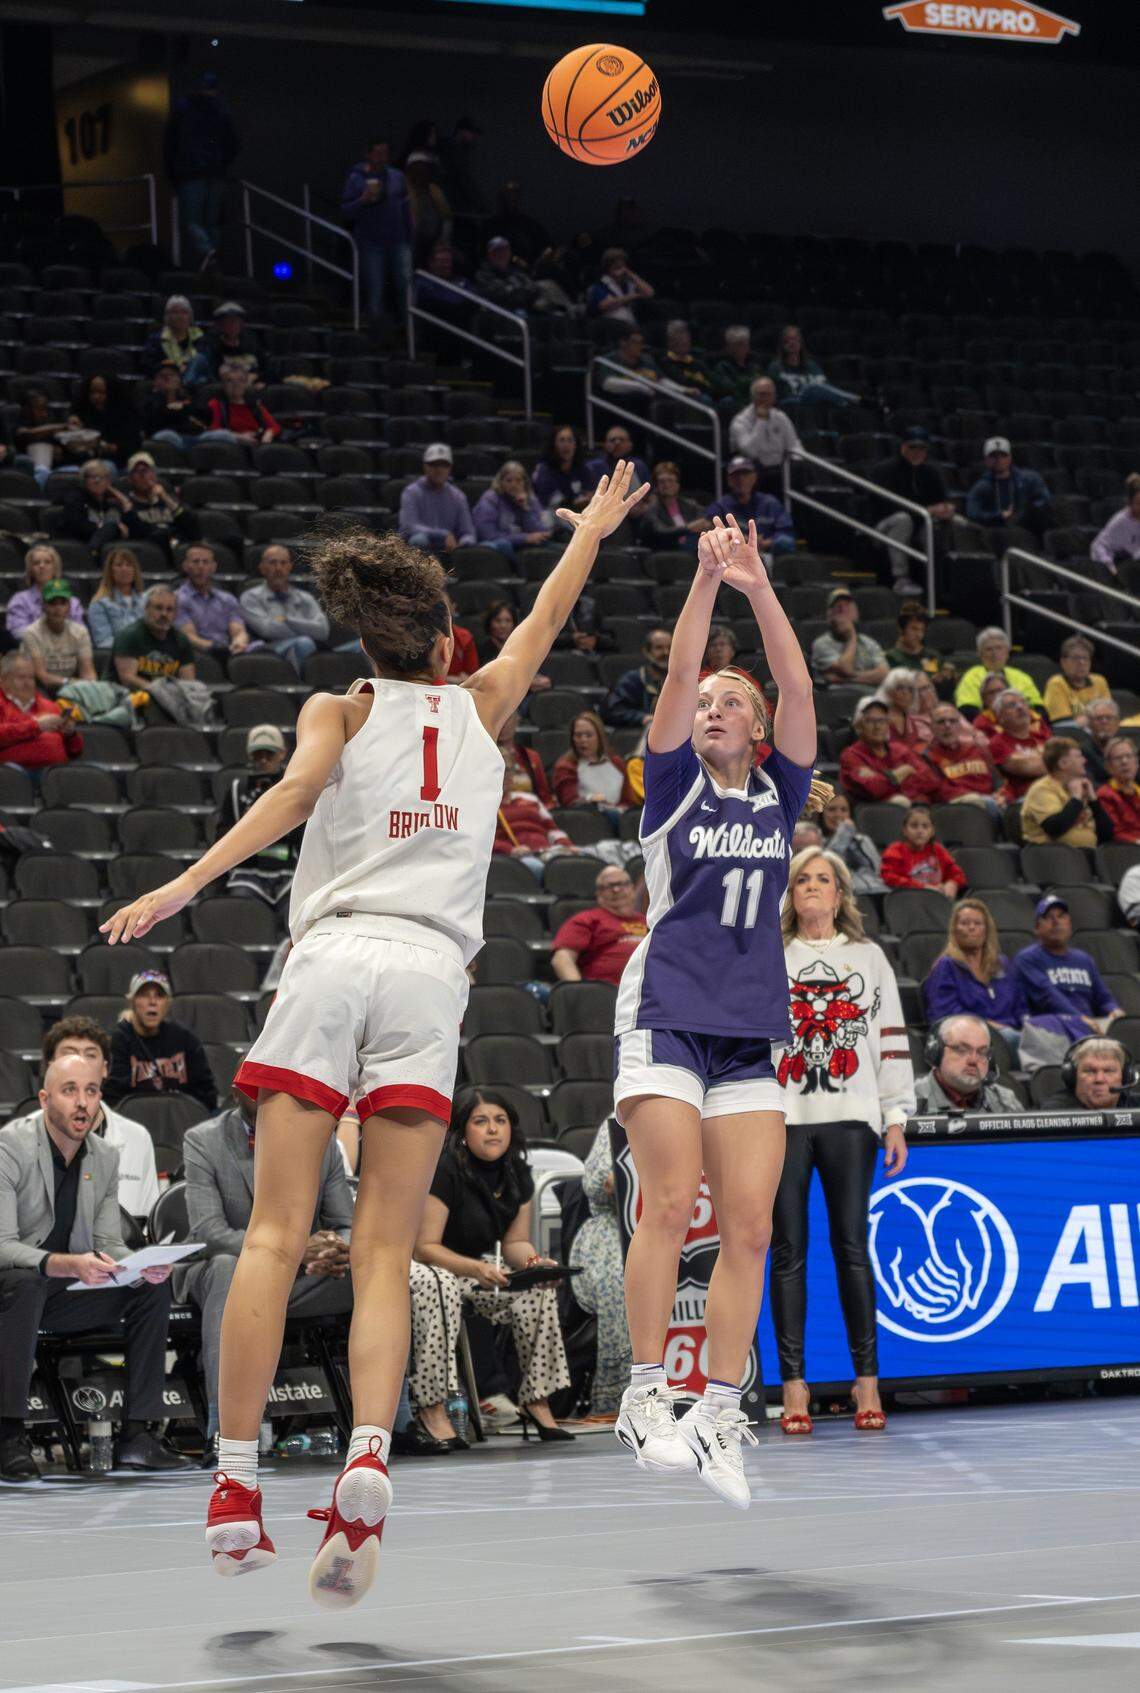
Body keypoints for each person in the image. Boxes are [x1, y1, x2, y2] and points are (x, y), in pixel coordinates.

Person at [100, 463, 646, 1601]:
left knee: (271, 1237)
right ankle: (367, 1457)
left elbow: (292, 798)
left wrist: (180, 887)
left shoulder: (336, 709)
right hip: (427, 978)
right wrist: (590, 527)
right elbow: (548, 612)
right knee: (389, 1251)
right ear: (447, 641)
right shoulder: (485, 702)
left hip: (335, 956)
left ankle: (238, 1483)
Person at [613, 515, 816, 1510]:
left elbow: (802, 687)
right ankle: (646, 1390)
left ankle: (718, 1412)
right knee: (667, 1198)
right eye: (704, 702)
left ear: (759, 725)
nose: (711, 708)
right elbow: (680, 671)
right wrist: (704, 583)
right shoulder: (671, 786)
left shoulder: (782, 792)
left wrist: (759, 586)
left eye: (730, 701)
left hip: (746, 1022)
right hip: (665, 1008)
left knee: (749, 1229)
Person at [774, 847, 912, 1436]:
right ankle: (794, 1385)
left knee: (852, 1247)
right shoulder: (767, 954)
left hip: (852, 1117)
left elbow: (891, 1039)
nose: (811, 887)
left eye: (821, 879)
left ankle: (866, 1381)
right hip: (780, 1119)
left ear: (839, 894)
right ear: (790, 893)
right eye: (801, 879)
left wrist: (897, 1116)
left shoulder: (868, 956)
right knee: (787, 1252)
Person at [0, 1053, 188, 1481]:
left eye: (91, 1091)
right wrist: (64, 1264)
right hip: (12, 1291)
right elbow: (3, 1246)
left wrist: (143, 1266)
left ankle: (138, 1436)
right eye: (70, 1092)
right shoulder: (9, 1149)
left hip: (62, 1293)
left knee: (150, 1289)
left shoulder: (104, 1157)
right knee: (26, 1283)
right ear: (45, 1099)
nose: (83, 1103)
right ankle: (8, 1436)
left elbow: (107, 1245)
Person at [178, 1089, 355, 1446]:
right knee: (228, 1268)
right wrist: (296, 1249)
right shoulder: (203, 1141)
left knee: (372, 1267)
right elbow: (210, 1233)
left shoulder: (323, 1142)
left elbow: (345, 1222)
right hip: (226, 1267)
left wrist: (334, 1248)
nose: (270, 1093)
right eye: (257, 1086)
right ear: (235, 1092)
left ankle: (391, 1427)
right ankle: (225, 1433)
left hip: (302, 1272)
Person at [410, 1089, 572, 1446]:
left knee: (536, 1288)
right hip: (439, 1266)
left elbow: (514, 1243)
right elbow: (424, 1247)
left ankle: (537, 1400)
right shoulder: (445, 1170)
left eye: (500, 1121)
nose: (493, 1130)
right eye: (480, 1122)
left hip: (478, 1268)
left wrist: (533, 1263)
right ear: (463, 1131)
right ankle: (432, 1404)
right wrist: (474, 1269)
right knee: (444, 1286)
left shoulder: (517, 1173)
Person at [6, 1016, 160, 1223]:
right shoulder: (12, 1141)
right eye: (69, 1054)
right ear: (50, 1067)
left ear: (105, 1069)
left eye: (90, 1055)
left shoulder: (137, 1138)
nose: (80, 1063)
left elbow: (150, 1223)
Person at [568, 1121, 630, 1419]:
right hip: (611, 1227)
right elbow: (601, 1182)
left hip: (685, 1227)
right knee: (622, 1277)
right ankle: (619, 1394)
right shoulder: (618, 1120)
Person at [870, 428, 968, 598]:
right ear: (903, 448)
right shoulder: (885, 470)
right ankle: (900, 578)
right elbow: (885, 507)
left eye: (921, 448)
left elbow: (942, 499)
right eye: (912, 447)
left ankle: (952, 580)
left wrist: (947, 509)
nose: (917, 452)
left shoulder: (931, 472)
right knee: (903, 519)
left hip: (919, 524)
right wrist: (927, 510)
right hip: (883, 528)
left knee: (958, 522)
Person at [105, 969, 218, 1112]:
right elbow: (112, 1099)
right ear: (131, 1002)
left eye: (159, 996)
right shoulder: (119, 1040)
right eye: (144, 995)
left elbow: (206, 1096)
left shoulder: (185, 1039)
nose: (152, 1002)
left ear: (168, 1003)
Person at [1013, 895, 1122, 1035]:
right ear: (1037, 928)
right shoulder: (1027, 959)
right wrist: (1080, 1019)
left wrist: (1114, 1011)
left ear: (1069, 924)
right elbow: (1049, 997)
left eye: (1061, 916)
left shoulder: (1084, 960)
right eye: (1048, 917)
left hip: (1090, 1025)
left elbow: (1103, 998)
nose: (1056, 921)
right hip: (1052, 1028)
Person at [218, 725, 301, 907]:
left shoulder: (293, 788)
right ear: (250, 755)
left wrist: (279, 821)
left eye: (269, 754)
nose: (263, 760)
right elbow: (222, 835)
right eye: (257, 755)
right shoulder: (236, 789)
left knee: (298, 905)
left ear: (282, 754)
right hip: (247, 872)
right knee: (241, 904)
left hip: (288, 870)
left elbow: (304, 836)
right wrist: (246, 824)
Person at [164, 71, 239, 270]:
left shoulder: (184, 109)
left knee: (192, 220)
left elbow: (171, 142)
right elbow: (233, 144)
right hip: (216, 172)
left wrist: (173, 172)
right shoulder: (222, 111)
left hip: (191, 172)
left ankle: (208, 253)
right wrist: (222, 163)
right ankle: (213, 260)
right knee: (211, 222)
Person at [922, 899, 1027, 1039]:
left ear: (986, 930)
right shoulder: (946, 966)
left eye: (978, 923)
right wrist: (989, 1026)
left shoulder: (1001, 964)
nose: (971, 927)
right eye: (964, 923)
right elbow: (945, 1014)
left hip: (1010, 1032)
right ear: (954, 930)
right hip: (969, 1038)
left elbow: (1019, 1006)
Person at [340, 138, 412, 327]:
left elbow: (405, 208)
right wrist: (362, 200)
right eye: (378, 153)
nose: (382, 158)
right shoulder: (356, 178)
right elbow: (346, 212)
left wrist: (410, 234)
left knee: (405, 285)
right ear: (368, 154)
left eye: (385, 153)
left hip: (398, 238)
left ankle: (409, 329)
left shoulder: (397, 177)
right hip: (370, 242)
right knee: (375, 288)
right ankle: (376, 331)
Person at [112, 586, 202, 723]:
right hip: (126, 699)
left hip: (166, 703)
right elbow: (127, 679)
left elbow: (188, 683)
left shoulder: (181, 640)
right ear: (146, 609)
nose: (164, 614)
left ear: (175, 614)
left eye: (169, 609)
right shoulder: (129, 636)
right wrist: (158, 691)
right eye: (158, 608)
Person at [239, 544, 331, 676]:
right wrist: (308, 629)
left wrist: (286, 620)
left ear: (289, 567)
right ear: (262, 568)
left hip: (311, 645)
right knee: (304, 642)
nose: (278, 568)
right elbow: (267, 630)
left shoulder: (305, 598)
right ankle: (308, 688)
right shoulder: (250, 597)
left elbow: (323, 631)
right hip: (269, 647)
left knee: (359, 645)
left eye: (283, 563)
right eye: (272, 563)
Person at [551, 865, 647, 987]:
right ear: (599, 894)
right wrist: (581, 993)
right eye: (609, 886)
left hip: (651, 992)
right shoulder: (586, 919)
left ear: (633, 888)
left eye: (622, 884)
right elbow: (561, 959)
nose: (616, 890)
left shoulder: (650, 921)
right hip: (606, 994)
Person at [912, 1015, 1025, 1114]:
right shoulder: (909, 1102)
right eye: (962, 1050)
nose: (973, 1060)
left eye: (982, 1052)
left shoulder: (1005, 1101)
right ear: (936, 1053)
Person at [838, 698, 939, 807]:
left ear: (888, 725)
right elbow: (873, 790)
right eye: (871, 721)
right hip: (873, 812)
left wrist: (882, 780)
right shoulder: (851, 755)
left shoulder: (901, 750)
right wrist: (902, 773)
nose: (877, 727)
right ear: (859, 725)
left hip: (917, 809)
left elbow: (931, 781)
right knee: (900, 801)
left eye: (882, 721)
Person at [1020, 735, 1109, 849]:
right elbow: (1055, 828)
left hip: (1087, 856)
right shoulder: (1042, 789)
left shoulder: (1082, 787)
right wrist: (1076, 799)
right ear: (1063, 763)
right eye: (1078, 757)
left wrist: (1093, 800)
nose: (1084, 760)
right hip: (1054, 857)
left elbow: (1106, 834)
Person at [493, 756, 576, 877]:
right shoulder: (485, 805)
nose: (505, 775)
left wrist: (566, 845)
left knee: (587, 856)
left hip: (546, 851)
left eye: (508, 770)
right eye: (500, 770)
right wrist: (510, 850)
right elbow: (484, 841)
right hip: (515, 858)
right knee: (536, 867)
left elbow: (552, 829)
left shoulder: (530, 799)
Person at [0, 650, 83, 768]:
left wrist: (71, 734)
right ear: (3, 680)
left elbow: (75, 751)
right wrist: (36, 726)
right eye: (21, 677)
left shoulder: (49, 705)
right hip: (12, 777)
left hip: (55, 774)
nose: (28, 683)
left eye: (31, 678)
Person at [965, 436, 1053, 540]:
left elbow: (1043, 500)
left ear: (1010, 458)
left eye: (1003, 455)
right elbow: (973, 513)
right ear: (986, 460)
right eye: (993, 456)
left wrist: (1022, 514)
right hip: (999, 535)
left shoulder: (1029, 479)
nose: (999, 460)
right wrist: (999, 516)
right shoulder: (981, 487)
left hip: (1029, 531)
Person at [705, 458, 795, 559]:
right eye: (736, 475)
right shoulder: (720, 506)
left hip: (771, 555)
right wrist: (739, 539)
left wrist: (768, 543)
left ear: (754, 477)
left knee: (785, 543)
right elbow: (711, 531)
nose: (741, 479)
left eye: (745, 474)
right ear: (729, 480)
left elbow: (786, 532)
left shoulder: (770, 503)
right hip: (735, 559)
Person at [728, 378, 801, 499]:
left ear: (774, 397)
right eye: (761, 395)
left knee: (799, 471)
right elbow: (750, 451)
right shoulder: (740, 421)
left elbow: (794, 445)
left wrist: (797, 460)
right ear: (753, 397)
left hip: (780, 467)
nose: (765, 399)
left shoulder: (781, 417)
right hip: (754, 468)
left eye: (769, 395)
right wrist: (760, 422)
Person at [175, 543, 251, 661]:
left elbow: (239, 631)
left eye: (206, 562)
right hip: (198, 653)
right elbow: (189, 637)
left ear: (213, 567)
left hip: (228, 650)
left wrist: (239, 643)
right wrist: (218, 648)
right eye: (195, 561)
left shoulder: (227, 599)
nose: (201, 566)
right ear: (185, 566)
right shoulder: (177, 599)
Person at [20, 579, 96, 696]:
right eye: (52, 603)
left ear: (69, 606)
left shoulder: (80, 632)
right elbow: (42, 676)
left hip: (72, 690)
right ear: (43, 606)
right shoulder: (32, 633)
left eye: (62, 603)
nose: (58, 608)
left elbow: (88, 672)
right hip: (39, 690)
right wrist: (71, 682)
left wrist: (90, 686)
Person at [551, 710, 636, 812]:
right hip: (586, 820)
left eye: (589, 735)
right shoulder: (566, 766)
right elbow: (569, 801)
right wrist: (590, 799)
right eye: (578, 735)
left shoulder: (616, 763)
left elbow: (629, 801)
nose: (583, 740)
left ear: (599, 737)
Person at [397, 442, 476, 552]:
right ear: (425, 466)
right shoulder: (411, 492)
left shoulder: (458, 496)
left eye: (444, 465)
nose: (439, 469)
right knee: (419, 540)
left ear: (450, 468)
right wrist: (443, 534)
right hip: (417, 550)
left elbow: (468, 532)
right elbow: (409, 527)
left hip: (449, 548)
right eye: (433, 464)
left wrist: (463, 544)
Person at [923, 701, 1001, 810]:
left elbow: (997, 781)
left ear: (960, 725)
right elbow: (938, 791)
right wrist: (977, 797)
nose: (947, 726)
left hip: (990, 801)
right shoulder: (926, 756)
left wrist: (1001, 795)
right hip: (956, 807)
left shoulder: (977, 749)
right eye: (941, 722)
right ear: (932, 727)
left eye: (953, 721)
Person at [55, 458, 141, 552]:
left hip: (113, 549)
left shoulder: (113, 502)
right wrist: (101, 527)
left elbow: (134, 527)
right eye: (93, 477)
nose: (97, 481)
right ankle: (93, 551)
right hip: (82, 545)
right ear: (84, 480)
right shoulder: (76, 498)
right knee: (112, 527)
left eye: (102, 477)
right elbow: (76, 525)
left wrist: (123, 500)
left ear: (108, 482)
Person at [879, 803, 966, 896]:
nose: (920, 831)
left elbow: (957, 874)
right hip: (907, 898)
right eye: (914, 826)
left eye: (925, 826)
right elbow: (888, 877)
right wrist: (922, 887)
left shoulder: (938, 849)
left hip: (936, 899)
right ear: (904, 830)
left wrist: (952, 883)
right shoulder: (895, 850)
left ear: (932, 831)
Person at [954, 626, 1044, 716]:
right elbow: (967, 711)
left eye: (999, 648)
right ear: (980, 654)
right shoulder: (972, 676)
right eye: (988, 649)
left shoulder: (1021, 676)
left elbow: (1039, 708)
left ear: (1007, 652)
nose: (994, 653)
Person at [120, 452, 200, 551]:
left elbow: (194, 530)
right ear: (129, 479)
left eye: (146, 470)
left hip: (177, 550)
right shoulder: (126, 506)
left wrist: (166, 498)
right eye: (137, 471)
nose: (143, 475)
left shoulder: (171, 501)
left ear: (155, 475)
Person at [810, 588, 888, 687]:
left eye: (847, 605)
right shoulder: (821, 644)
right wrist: (851, 636)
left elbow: (884, 674)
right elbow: (845, 668)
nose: (843, 610)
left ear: (856, 613)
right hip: (840, 697)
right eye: (838, 606)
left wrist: (845, 679)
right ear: (829, 615)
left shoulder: (869, 642)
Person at [184, 301, 271, 391]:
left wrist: (259, 379)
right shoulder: (212, 346)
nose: (232, 325)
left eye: (236, 321)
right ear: (220, 325)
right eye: (228, 322)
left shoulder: (253, 342)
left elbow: (266, 368)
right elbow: (214, 375)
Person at [6, 543, 85, 639]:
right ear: (30, 569)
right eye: (36, 563)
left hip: (67, 651)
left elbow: (80, 633)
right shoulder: (19, 600)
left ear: (55, 567)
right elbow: (18, 632)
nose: (42, 566)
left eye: (47, 562)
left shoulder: (72, 602)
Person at [987, 689, 1052, 803]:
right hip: (1025, 799)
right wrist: (1057, 763)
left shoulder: (1042, 736)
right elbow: (1026, 768)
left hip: (1054, 791)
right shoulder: (997, 743)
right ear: (1000, 716)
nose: (1020, 707)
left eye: (1023, 702)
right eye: (1011, 705)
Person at [767, 324, 854, 409]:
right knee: (813, 387)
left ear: (801, 342)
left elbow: (825, 386)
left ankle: (846, 403)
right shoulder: (775, 367)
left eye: (795, 339)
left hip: (813, 400)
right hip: (790, 401)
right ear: (782, 345)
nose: (792, 342)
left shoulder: (812, 366)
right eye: (787, 340)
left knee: (818, 388)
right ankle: (851, 400)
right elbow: (770, 393)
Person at [472, 461, 550, 554]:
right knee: (503, 545)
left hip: (524, 549)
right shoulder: (489, 501)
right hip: (497, 551)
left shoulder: (530, 499)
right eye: (509, 480)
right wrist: (524, 538)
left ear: (525, 482)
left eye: (518, 480)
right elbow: (489, 536)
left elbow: (543, 533)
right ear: (500, 482)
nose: (514, 485)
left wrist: (525, 509)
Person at [68, 372, 142, 467]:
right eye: (92, 392)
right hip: (81, 461)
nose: (96, 397)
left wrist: (105, 446)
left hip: (115, 462)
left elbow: (130, 447)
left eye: (101, 392)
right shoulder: (81, 412)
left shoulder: (127, 415)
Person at [818, 790, 885, 893]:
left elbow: (878, 871)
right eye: (832, 809)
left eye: (844, 810)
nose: (838, 815)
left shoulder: (862, 840)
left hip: (874, 893)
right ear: (822, 814)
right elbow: (828, 869)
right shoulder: (816, 842)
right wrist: (843, 835)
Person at [602, 626, 671, 728]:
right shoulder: (632, 680)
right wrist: (642, 718)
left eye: (670, 647)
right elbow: (613, 711)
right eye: (659, 648)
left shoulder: (682, 681)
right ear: (646, 652)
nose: (666, 652)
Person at [1046, 1037, 1138, 1111]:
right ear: (1073, 1076)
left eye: (1109, 1071)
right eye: (1089, 1071)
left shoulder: (1136, 1107)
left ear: (1125, 1076)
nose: (1099, 1079)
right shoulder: (1055, 1112)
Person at [635, 459, 711, 549]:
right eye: (662, 481)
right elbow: (660, 531)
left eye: (670, 480)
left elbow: (706, 519)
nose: (666, 485)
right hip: (665, 552)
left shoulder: (689, 504)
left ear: (677, 484)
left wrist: (705, 524)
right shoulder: (652, 508)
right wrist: (688, 528)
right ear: (656, 486)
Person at [199, 363, 281, 445]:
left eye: (240, 380)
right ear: (223, 385)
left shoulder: (254, 404)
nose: (236, 385)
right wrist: (238, 437)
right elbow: (213, 430)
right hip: (231, 448)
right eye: (229, 380)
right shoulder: (215, 404)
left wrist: (268, 434)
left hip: (258, 445)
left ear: (245, 383)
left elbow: (274, 426)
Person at [1042, 636, 1111, 727]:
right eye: (1075, 658)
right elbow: (1062, 725)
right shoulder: (1056, 684)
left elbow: (1109, 716)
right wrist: (1096, 718)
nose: (1081, 662)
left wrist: (1088, 720)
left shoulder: (1099, 681)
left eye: (1085, 658)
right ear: (1063, 662)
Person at [87, 547, 147, 649]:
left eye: (129, 565)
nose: (124, 569)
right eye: (119, 565)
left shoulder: (147, 600)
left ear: (135, 570)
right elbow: (103, 642)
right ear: (110, 571)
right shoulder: (99, 604)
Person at [403, 151, 452, 264]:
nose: (423, 171)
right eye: (420, 167)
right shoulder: (401, 189)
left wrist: (442, 243)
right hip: (408, 245)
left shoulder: (435, 191)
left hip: (433, 245)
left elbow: (447, 219)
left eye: (427, 167)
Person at [14, 387, 68, 485]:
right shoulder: (17, 420)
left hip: (52, 468)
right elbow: (26, 433)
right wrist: (64, 426)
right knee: (40, 448)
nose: (45, 413)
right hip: (27, 465)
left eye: (46, 409)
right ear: (27, 409)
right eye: (40, 409)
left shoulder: (49, 419)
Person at [586, 247, 653, 325]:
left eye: (621, 264)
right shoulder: (600, 285)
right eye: (615, 264)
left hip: (632, 322)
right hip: (612, 324)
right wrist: (634, 296)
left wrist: (631, 274)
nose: (619, 266)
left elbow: (649, 293)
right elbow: (606, 305)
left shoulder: (629, 283)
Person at [1090, 473, 1140, 579]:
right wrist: (1110, 567)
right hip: (1127, 571)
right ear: (1130, 503)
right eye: (1139, 503)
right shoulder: (1120, 521)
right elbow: (1098, 546)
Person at [498, 709, 553, 804]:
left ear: (517, 721)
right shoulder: (483, 757)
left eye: (507, 718)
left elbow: (545, 797)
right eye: (498, 719)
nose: (503, 724)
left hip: (529, 812)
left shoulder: (531, 757)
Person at [141, 295, 204, 376]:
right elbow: (148, 365)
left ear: (190, 316)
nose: (180, 316)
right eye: (175, 312)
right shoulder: (156, 340)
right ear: (167, 317)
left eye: (184, 312)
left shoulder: (200, 338)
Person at [532, 424, 590, 512]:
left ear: (575, 445)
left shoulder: (582, 468)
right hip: (551, 515)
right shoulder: (544, 469)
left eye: (570, 440)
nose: (566, 445)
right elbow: (554, 502)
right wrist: (576, 501)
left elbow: (591, 491)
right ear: (554, 445)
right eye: (561, 440)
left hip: (579, 514)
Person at [143, 361, 200, 447]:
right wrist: (170, 394)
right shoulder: (150, 400)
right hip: (164, 438)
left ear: (179, 380)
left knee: (221, 435)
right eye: (163, 376)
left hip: (191, 437)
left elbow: (199, 418)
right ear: (155, 382)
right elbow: (153, 423)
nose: (168, 379)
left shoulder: (189, 398)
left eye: (172, 375)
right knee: (168, 436)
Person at [600, 327, 662, 403]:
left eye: (641, 342)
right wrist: (640, 386)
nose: (640, 346)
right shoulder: (608, 360)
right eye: (636, 342)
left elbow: (661, 379)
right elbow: (607, 383)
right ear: (623, 342)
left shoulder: (647, 360)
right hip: (621, 404)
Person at [711, 325, 764, 413]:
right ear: (730, 347)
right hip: (735, 403)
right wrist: (749, 384)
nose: (745, 347)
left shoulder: (754, 365)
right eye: (740, 344)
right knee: (728, 401)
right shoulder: (722, 367)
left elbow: (760, 383)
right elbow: (732, 388)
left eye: (746, 343)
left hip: (753, 399)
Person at [1097, 736, 1140, 842]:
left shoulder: (1137, 790)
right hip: (1125, 852)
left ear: (1136, 762)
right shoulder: (1104, 795)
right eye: (1118, 758)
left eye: (1129, 756)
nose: (1124, 762)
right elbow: (1115, 833)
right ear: (1108, 766)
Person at [875, 668, 930, 748]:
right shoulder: (879, 718)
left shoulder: (913, 722)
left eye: (910, 689)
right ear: (889, 690)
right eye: (900, 688)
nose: (905, 692)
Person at [583, 426, 651, 492]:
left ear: (630, 445)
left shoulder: (639, 465)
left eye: (621, 439)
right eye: (612, 440)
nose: (617, 443)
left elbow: (648, 494)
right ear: (605, 444)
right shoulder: (594, 466)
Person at [661, 319, 714, 400]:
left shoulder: (697, 361)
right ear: (670, 341)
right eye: (679, 337)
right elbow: (682, 382)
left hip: (705, 394)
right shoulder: (666, 362)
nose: (684, 340)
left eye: (686, 336)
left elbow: (712, 381)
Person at [1078, 696, 1124, 786]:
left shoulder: (1126, 749)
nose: (1104, 722)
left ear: (1117, 722)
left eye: (1109, 718)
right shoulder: (1082, 752)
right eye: (1099, 718)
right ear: (1089, 724)